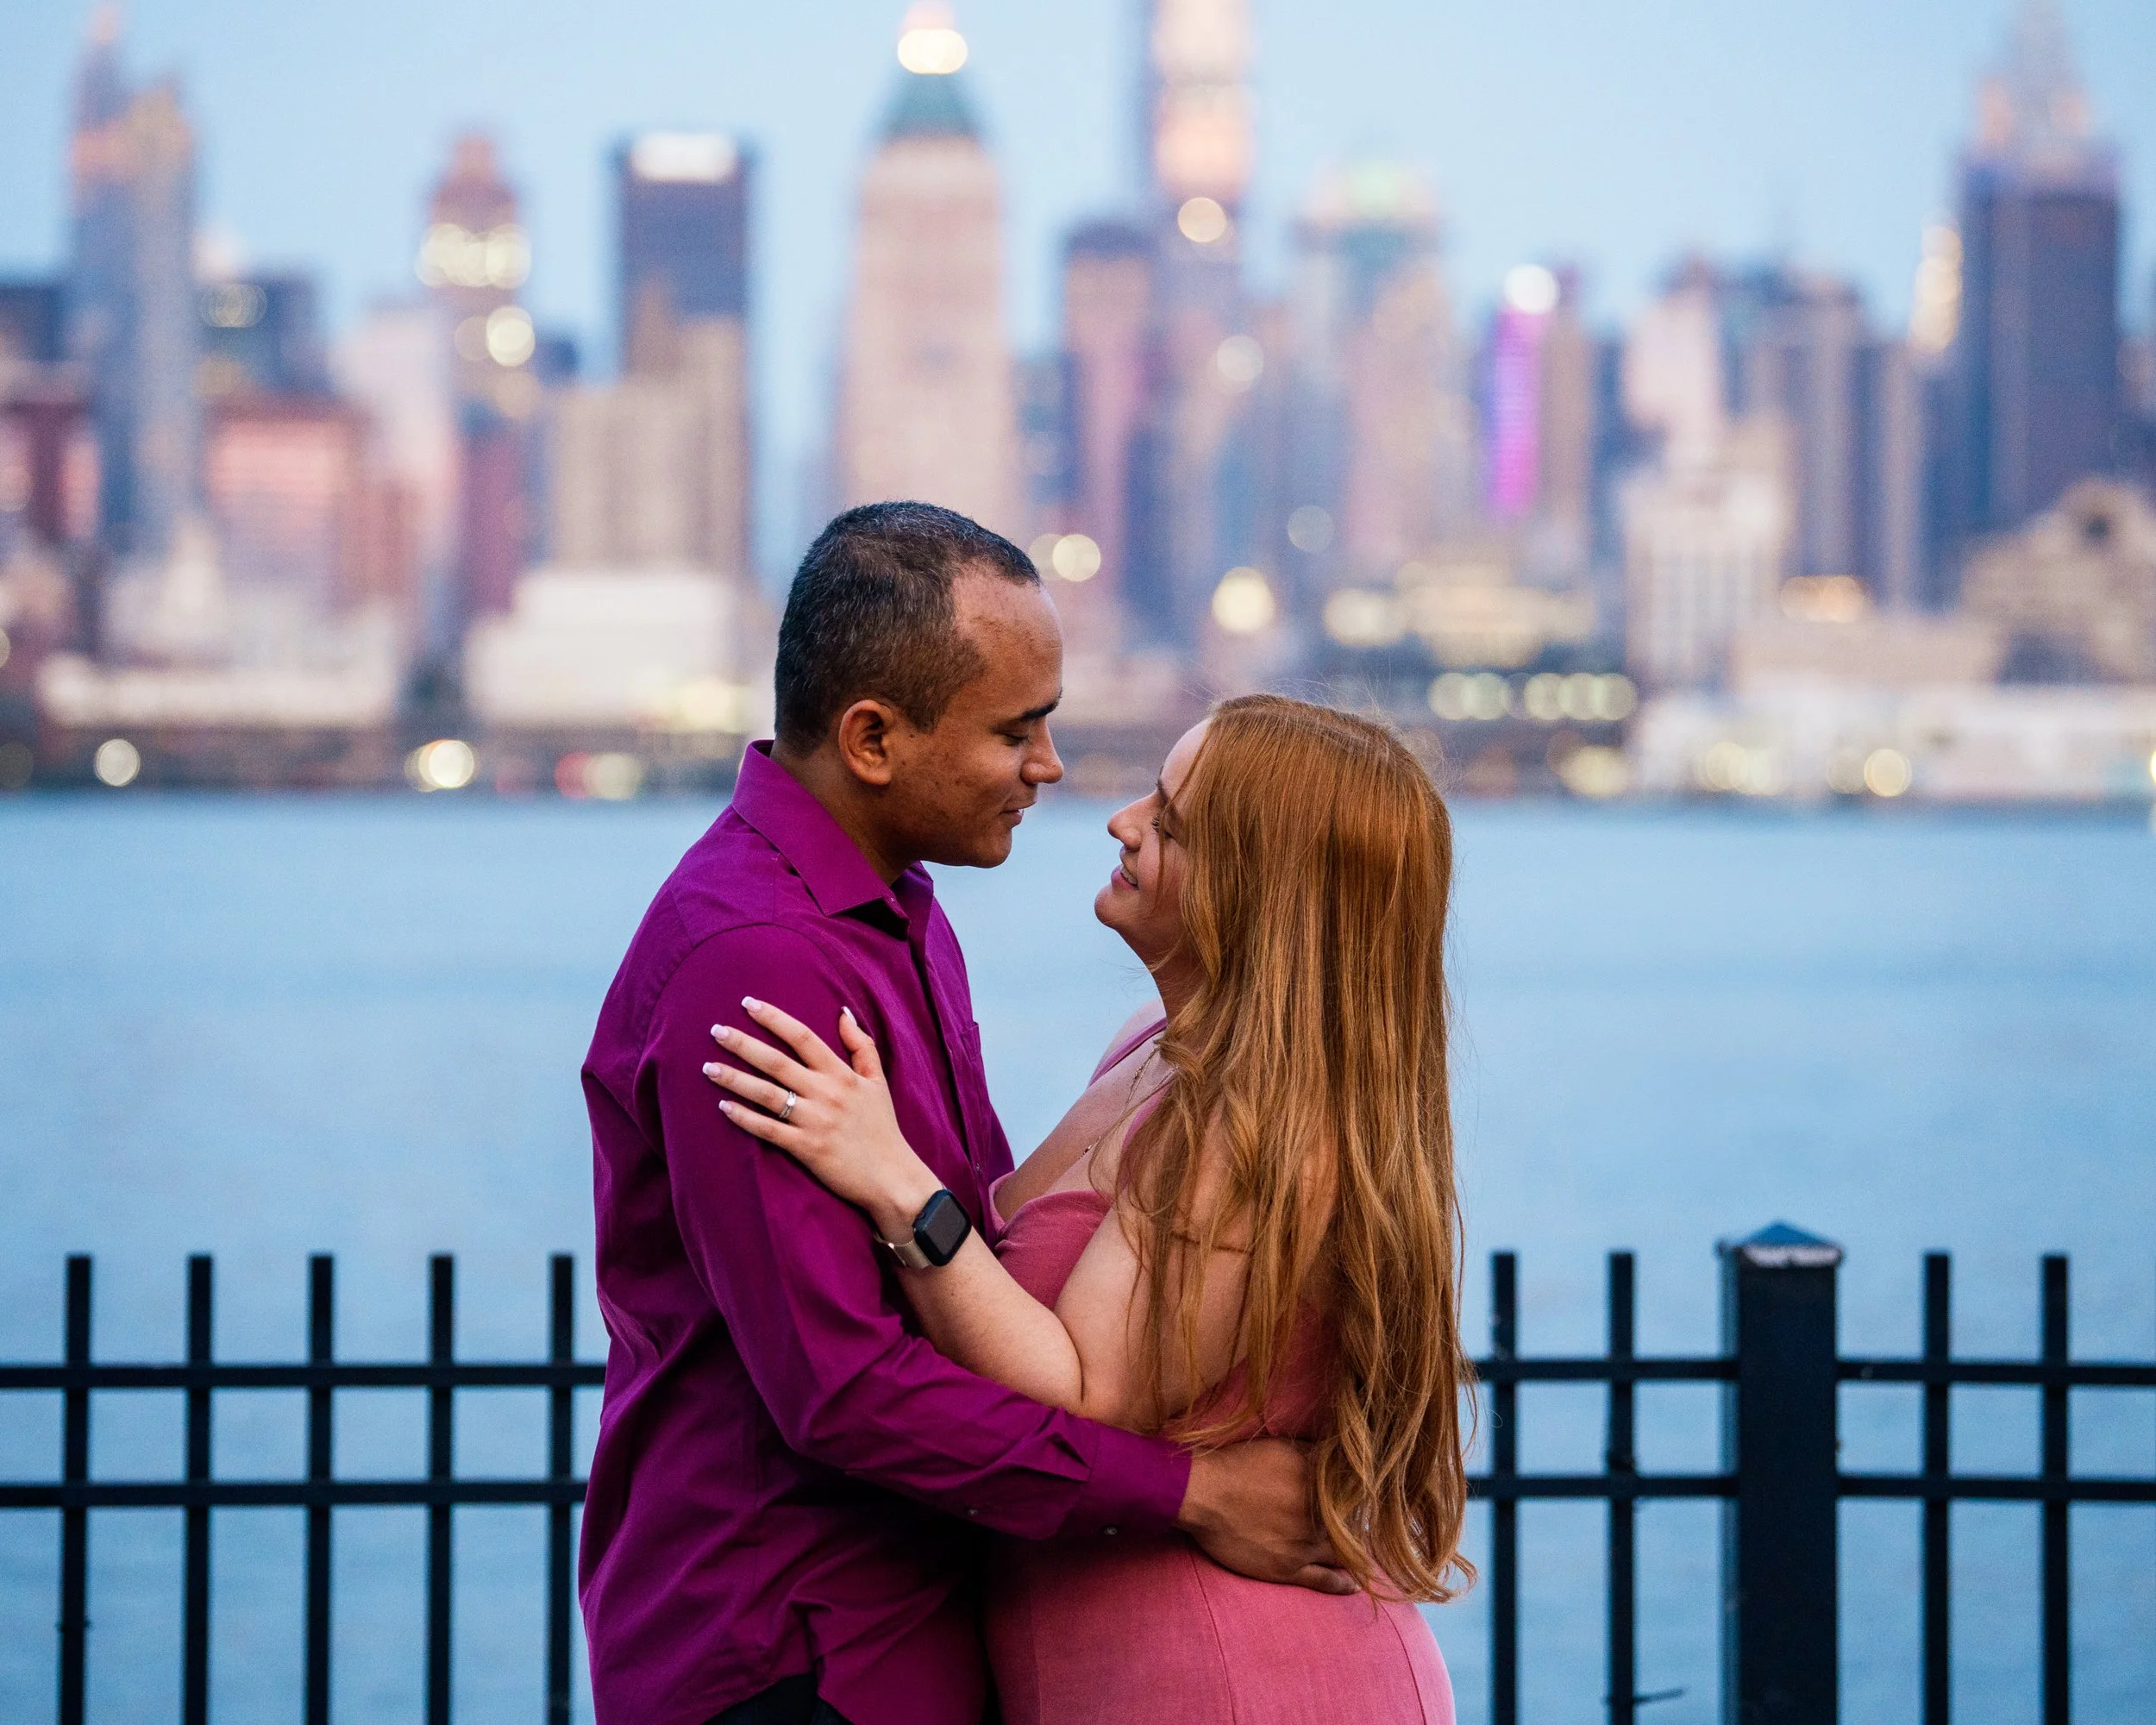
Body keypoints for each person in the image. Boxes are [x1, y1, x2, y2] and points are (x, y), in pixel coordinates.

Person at [580, 504, 1345, 1725]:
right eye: (1016, 730)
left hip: (909, 1631)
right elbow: (841, 1387)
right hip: (799, 1651)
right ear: (874, 738)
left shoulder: (893, 913)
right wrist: (1191, 1490)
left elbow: (966, 1255)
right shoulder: (759, 963)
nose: (1050, 768)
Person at [705, 693, 1474, 1723]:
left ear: (1260, 892)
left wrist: (893, 1180)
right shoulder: (1152, 1046)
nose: (1123, 821)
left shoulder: (1250, 1129)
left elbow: (1075, 1393)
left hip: (1225, 1674)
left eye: (1171, 821)